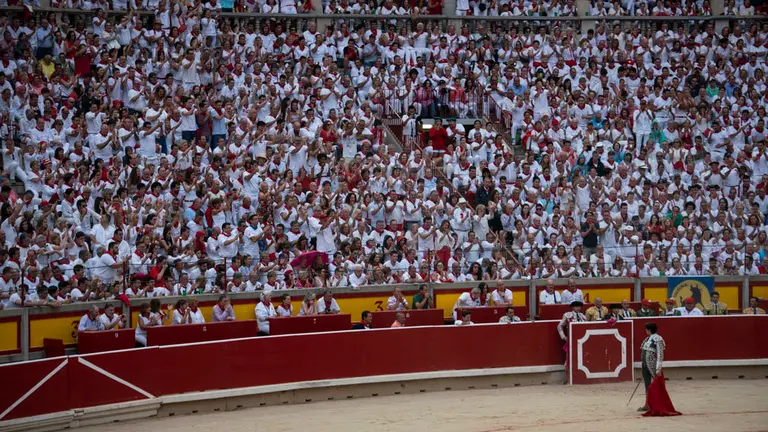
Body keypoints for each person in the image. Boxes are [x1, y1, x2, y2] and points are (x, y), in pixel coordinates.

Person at [639, 322, 681, 416]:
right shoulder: (647, 338)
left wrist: (658, 367)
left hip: (653, 364)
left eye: (646, 329)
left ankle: (658, 404)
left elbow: (660, 354)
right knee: (647, 384)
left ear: (649, 330)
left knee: (656, 385)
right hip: (645, 364)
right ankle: (647, 404)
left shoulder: (658, 338)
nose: (645, 331)